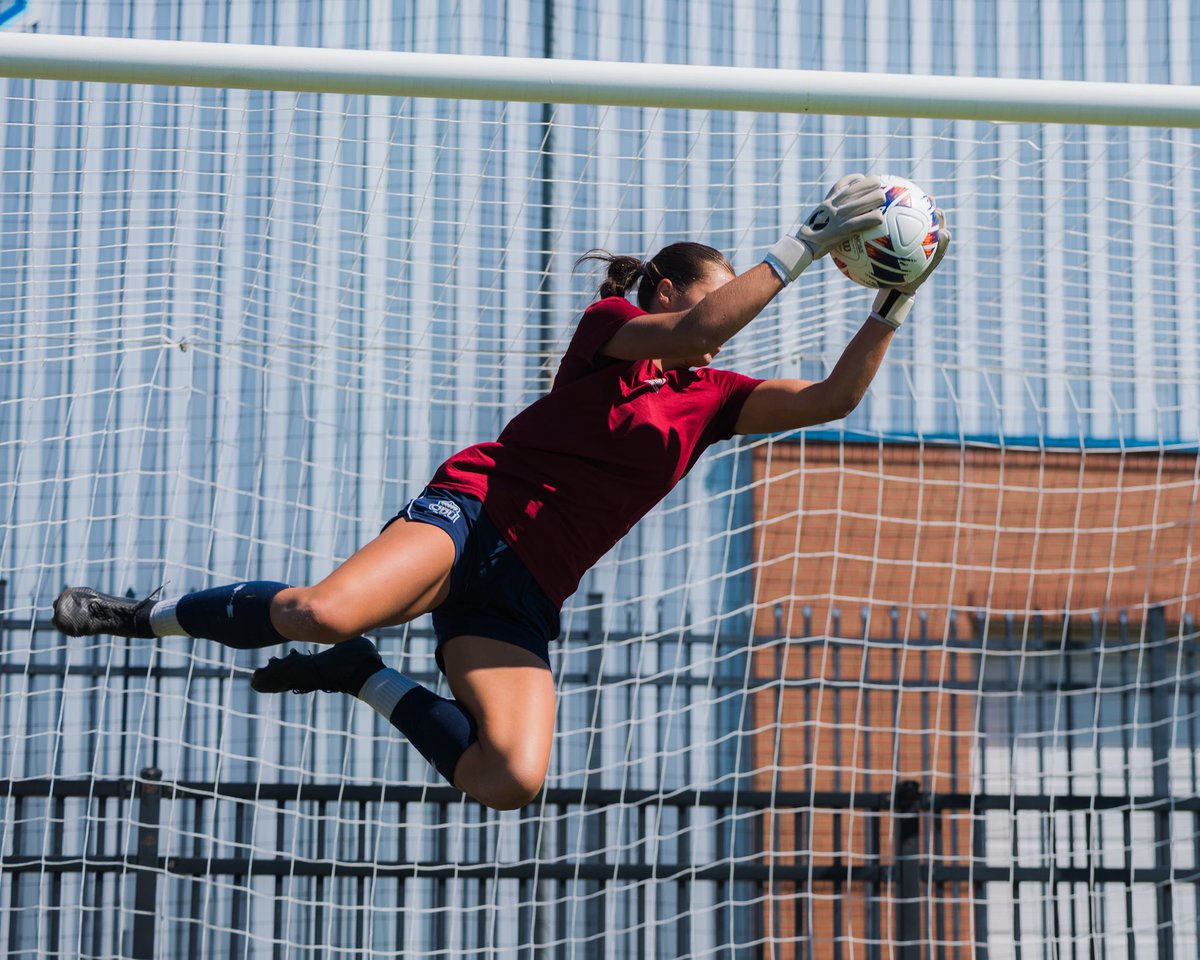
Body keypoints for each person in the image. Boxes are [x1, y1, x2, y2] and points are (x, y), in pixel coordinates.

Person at [52, 174, 949, 811]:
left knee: (510, 781)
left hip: (524, 592)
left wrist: (894, 301)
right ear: (664, 294)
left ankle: (361, 677)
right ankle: (148, 616)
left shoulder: (713, 401)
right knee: (323, 609)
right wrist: (809, 237)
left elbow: (835, 397)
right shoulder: (618, 329)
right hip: (475, 510)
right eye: (706, 312)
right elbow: (702, 326)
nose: (719, 344)